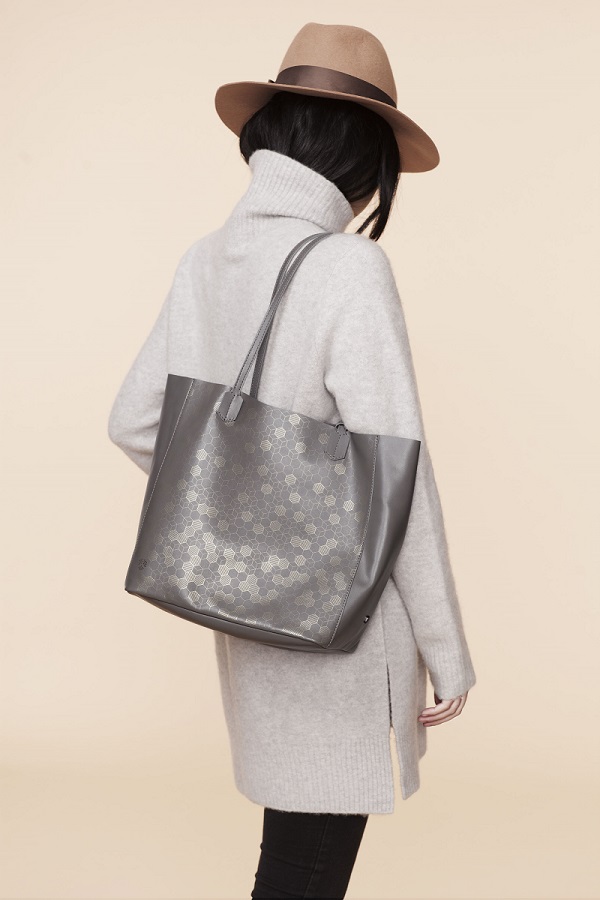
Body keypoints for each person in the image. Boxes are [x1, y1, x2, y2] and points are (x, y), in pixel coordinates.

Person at [108, 22, 477, 900]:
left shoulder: (205, 259)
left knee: (295, 850)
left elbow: (133, 421)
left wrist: (237, 514)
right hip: (346, 619)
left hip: (243, 610)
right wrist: (446, 645)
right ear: (366, 157)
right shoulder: (349, 267)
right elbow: (400, 479)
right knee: (306, 868)